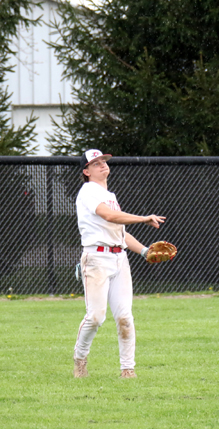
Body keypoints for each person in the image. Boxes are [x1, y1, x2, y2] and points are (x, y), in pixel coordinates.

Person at [73, 149, 166, 379]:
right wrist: (144, 218)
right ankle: (80, 359)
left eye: (103, 161)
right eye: (95, 163)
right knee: (95, 317)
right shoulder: (88, 192)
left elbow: (120, 233)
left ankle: (128, 369)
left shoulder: (110, 195)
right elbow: (110, 217)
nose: (102, 165)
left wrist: (145, 251)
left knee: (125, 317)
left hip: (119, 259)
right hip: (96, 259)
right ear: (86, 171)